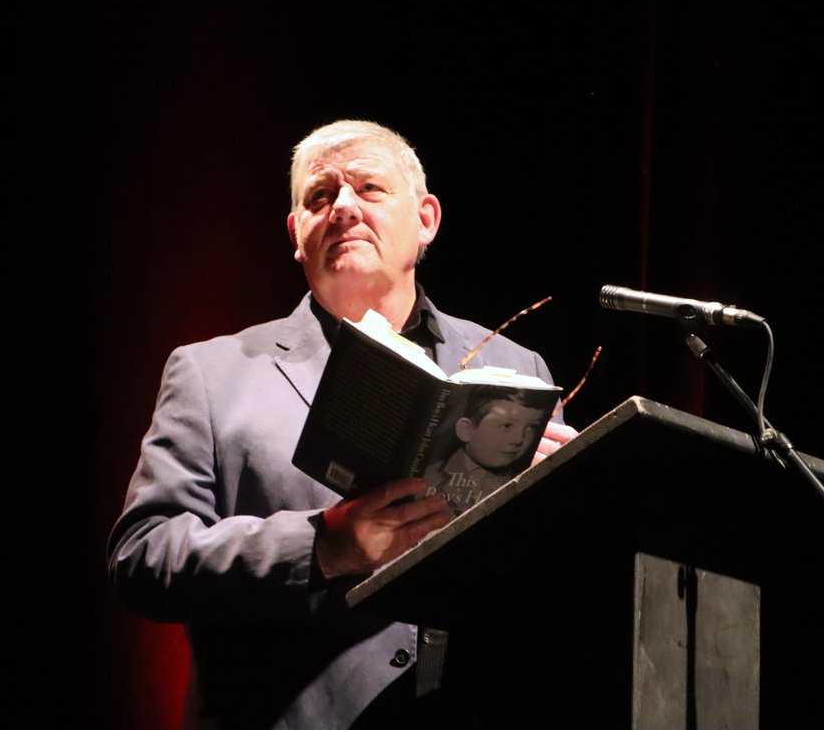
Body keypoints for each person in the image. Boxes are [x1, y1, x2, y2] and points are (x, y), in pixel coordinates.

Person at [107, 119, 578, 730]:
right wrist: (325, 545)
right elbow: (145, 556)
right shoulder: (211, 373)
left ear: (427, 220)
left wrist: (559, 498)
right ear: (296, 235)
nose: (344, 208)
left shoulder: (515, 369)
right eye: (320, 196)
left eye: (370, 189)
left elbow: (563, 581)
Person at [422, 386, 554, 516]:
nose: (519, 439)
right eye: (506, 425)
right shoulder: (425, 481)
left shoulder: (530, 478)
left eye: (532, 427)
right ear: (466, 430)